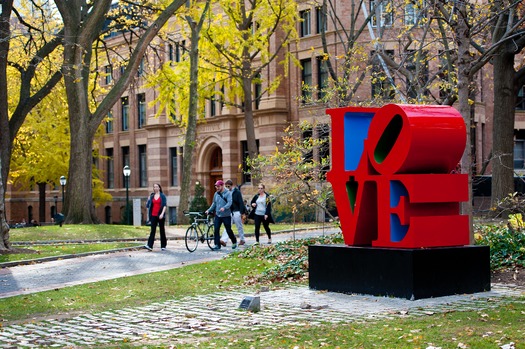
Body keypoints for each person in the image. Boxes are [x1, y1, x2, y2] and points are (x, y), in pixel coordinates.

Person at [205, 180, 238, 250]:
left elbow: (230, 202)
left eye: (218, 186)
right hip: (218, 215)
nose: (217, 188)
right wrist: (209, 210)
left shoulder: (228, 193)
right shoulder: (216, 194)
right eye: (216, 186)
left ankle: (234, 241)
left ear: (222, 186)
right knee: (216, 229)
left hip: (226, 215)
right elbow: (214, 203)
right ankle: (217, 245)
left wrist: (224, 207)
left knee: (228, 230)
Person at [219, 179, 246, 246]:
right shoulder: (225, 193)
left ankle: (242, 239)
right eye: (226, 186)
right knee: (227, 226)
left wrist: (242, 212)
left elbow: (240, 202)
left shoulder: (237, 192)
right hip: (228, 212)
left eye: (228, 186)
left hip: (236, 211)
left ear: (232, 186)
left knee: (239, 226)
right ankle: (224, 240)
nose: (227, 188)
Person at [144, 183, 167, 251]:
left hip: (160, 215)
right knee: (152, 230)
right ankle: (150, 245)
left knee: (162, 230)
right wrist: (148, 200)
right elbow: (148, 206)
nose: (155, 188)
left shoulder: (162, 196)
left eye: (157, 187)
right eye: (154, 187)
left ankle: (163, 245)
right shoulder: (152, 196)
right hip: (153, 215)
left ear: (159, 188)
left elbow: (164, 205)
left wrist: (162, 214)